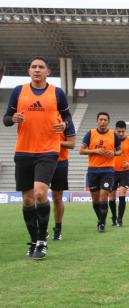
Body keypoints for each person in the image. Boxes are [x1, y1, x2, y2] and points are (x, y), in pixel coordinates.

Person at [3, 57, 74, 259]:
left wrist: (64, 126)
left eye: (40, 67)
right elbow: (6, 119)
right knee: (27, 200)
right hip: (24, 151)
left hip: (48, 151)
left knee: (41, 194)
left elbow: (67, 118)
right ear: (29, 71)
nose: (36, 70)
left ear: (48, 72)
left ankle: (42, 241)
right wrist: (13, 118)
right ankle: (33, 240)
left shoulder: (57, 93)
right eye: (33, 67)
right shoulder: (18, 91)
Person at [80, 112, 121, 232]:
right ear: (97, 121)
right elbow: (81, 151)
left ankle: (102, 224)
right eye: (101, 119)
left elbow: (120, 151)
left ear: (108, 121)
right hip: (93, 170)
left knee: (103, 198)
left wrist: (114, 153)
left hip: (108, 170)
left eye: (105, 120)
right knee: (95, 200)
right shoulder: (90, 133)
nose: (103, 122)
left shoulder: (113, 134)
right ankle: (100, 219)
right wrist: (96, 151)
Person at [108, 120, 129, 227]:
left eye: (122, 131)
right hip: (112, 172)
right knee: (111, 197)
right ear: (115, 130)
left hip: (125, 172)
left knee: (122, 194)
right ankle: (114, 217)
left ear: (125, 130)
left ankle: (120, 219)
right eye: (119, 131)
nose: (120, 133)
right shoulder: (111, 139)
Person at [51, 124, 76, 240]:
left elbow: (72, 144)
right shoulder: (40, 115)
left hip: (60, 163)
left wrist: (55, 142)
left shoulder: (65, 121)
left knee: (57, 198)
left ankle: (58, 228)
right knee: (38, 195)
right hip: (40, 159)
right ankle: (41, 228)